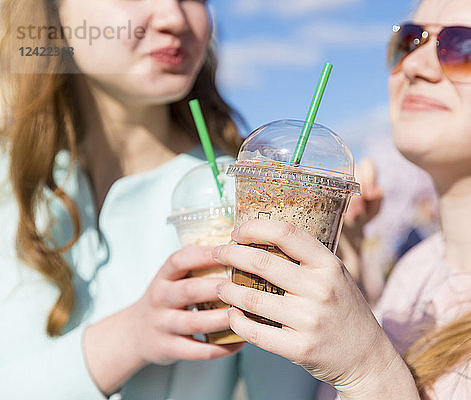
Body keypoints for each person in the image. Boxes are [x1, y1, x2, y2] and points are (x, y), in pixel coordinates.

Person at [213, 0, 471, 398]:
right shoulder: (418, 268)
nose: (415, 66)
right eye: (410, 41)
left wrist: (368, 372)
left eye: (466, 48)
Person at [0, 0, 317, 398]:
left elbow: (285, 393)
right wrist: (131, 336)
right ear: (51, 15)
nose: (174, 17)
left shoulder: (245, 193)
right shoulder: (10, 177)